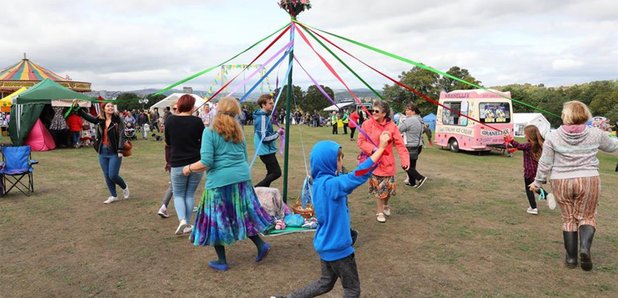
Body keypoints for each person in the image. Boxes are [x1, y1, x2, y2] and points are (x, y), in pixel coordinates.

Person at [280, 132, 391, 298]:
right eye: (339, 159)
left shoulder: (318, 182)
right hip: (338, 248)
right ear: (329, 162)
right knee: (352, 290)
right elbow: (357, 175)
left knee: (324, 283)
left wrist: (376, 152)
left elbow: (352, 174)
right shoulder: (332, 184)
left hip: (325, 244)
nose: (341, 162)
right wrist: (381, 148)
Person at [184, 97, 272, 271]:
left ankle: (222, 260)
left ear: (218, 110)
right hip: (241, 178)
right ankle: (261, 245)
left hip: (219, 181)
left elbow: (206, 162)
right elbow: (244, 157)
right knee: (244, 214)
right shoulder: (239, 131)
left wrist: (188, 168)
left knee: (216, 219)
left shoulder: (209, 132)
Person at [530, 101, 618, 271]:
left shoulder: (553, 136)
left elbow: (545, 162)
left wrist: (538, 181)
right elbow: (613, 146)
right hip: (588, 179)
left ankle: (571, 259)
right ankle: (584, 248)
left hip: (561, 180)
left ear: (566, 115)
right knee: (587, 217)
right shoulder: (596, 133)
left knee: (569, 218)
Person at [358, 101, 410, 223]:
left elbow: (400, 145)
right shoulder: (367, 124)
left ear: (384, 113)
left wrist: (405, 161)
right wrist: (374, 149)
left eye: (377, 111)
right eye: (372, 111)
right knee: (379, 189)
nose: (373, 113)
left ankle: (386, 204)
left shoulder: (392, 127)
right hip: (374, 162)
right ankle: (380, 211)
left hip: (388, 163)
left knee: (388, 190)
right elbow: (360, 141)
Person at [164, 95, 205, 235]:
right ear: (191, 106)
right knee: (189, 194)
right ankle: (186, 223)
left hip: (177, 163)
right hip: (196, 163)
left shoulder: (170, 120)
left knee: (179, 194)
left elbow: (168, 141)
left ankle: (183, 220)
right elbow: (203, 142)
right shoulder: (198, 122)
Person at [74, 100, 129, 204]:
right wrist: (78, 108)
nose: (110, 108)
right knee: (106, 175)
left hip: (114, 151)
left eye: (112, 106)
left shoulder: (118, 120)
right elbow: (89, 118)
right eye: (108, 106)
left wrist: (120, 149)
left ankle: (124, 186)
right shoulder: (100, 120)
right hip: (102, 151)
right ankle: (113, 195)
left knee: (113, 175)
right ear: (104, 109)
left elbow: (122, 135)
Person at [506, 125, 555, 215]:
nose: (524, 135)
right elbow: (520, 147)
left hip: (529, 171)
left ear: (529, 135)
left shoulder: (529, 145)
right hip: (537, 170)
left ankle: (534, 207)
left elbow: (519, 145)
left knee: (529, 188)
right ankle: (545, 198)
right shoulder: (541, 144)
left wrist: (511, 140)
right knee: (534, 186)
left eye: (525, 134)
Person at [253, 94, 282, 187]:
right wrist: (278, 133)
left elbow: (267, 133)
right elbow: (264, 138)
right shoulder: (262, 118)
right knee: (277, 172)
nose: (272, 105)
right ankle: (255, 189)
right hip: (265, 151)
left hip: (267, 150)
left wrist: (276, 132)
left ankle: (262, 192)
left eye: (272, 103)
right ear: (263, 105)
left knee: (270, 173)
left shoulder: (265, 116)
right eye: (270, 103)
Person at [398, 103, 428, 189]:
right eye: (406, 109)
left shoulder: (410, 120)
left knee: (405, 165)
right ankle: (412, 182)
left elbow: (398, 129)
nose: (406, 111)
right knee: (412, 165)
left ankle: (420, 178)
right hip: (418, 146)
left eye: (408, 110)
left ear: (413, 111)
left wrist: (402, 121)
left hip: (411, 146)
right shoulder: (420, 119)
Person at [157, 102, 178, 218]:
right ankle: (164, 206)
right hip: (176, 162)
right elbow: (168, 147)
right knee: (175, 186)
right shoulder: (171, 123)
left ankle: (164, 207)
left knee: (178, 186)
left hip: (174, 161)